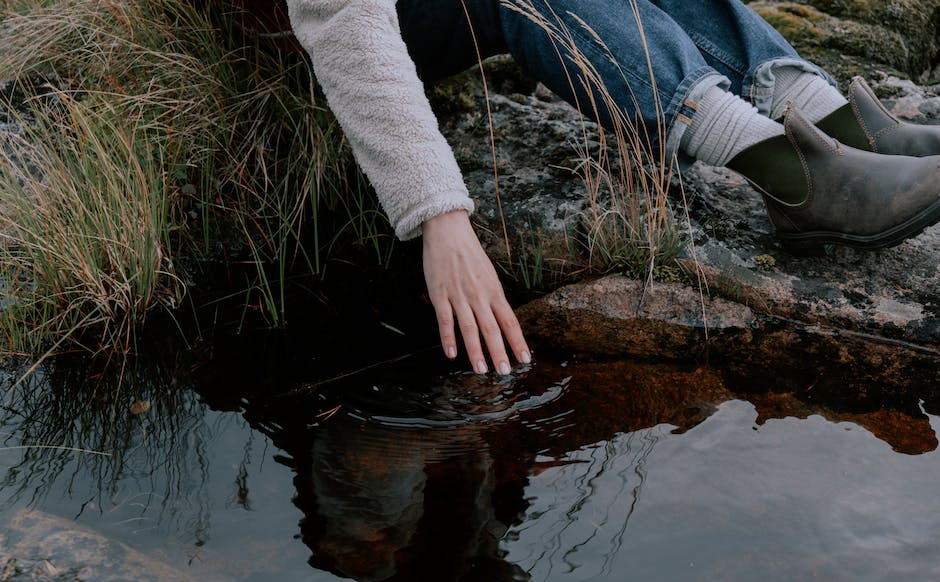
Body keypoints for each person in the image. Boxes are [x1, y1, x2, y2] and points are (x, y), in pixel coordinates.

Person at [284, 0, 940, 375]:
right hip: (319, 32)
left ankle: (834, 121)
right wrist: (439, 213)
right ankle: (790, 171)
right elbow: (341, 20)